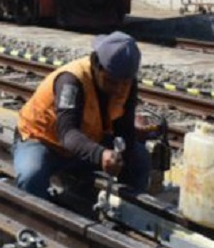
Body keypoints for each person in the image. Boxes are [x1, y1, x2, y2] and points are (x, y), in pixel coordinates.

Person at [13, 31, 150, 201]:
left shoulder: (126, 82)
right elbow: (67, 133)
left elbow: (124, 129)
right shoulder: (71, 81)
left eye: (125, 83)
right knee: (31, 176)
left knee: (139, 157)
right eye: (111, 82)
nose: (119, 89)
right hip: (43, 141)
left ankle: (127, 212)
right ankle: (39, 222)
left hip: (85, 142)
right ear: (97, 66)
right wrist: (101, 155)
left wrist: (123, 155)